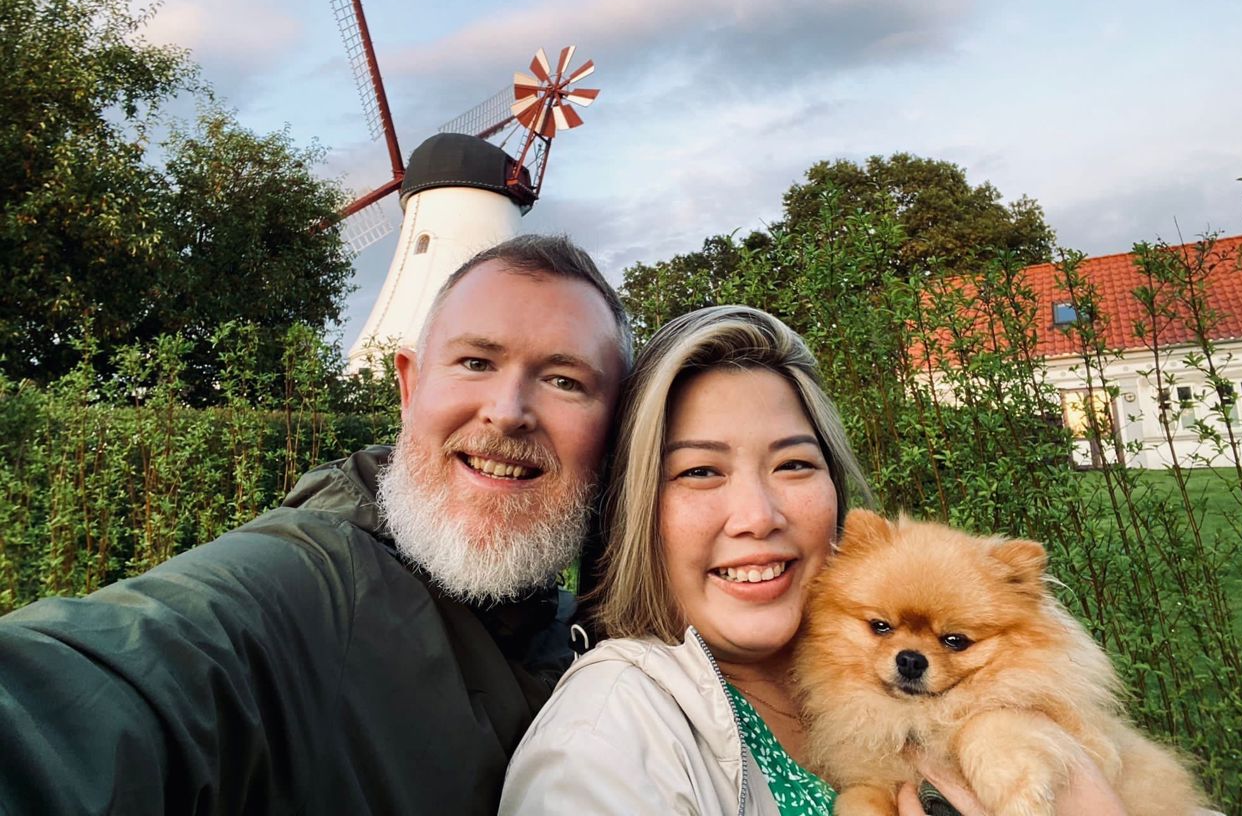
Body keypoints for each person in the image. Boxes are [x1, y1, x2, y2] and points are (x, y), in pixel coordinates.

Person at [0, 234, 632, 815]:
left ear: (620, 430)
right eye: (475, 362)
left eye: (564, 380)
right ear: (410, 387)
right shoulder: (294, 586)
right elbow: (105, 684)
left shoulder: (595, 629)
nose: (507, 411)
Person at [499, 305, 1133, 816]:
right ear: (634, 509)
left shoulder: (853, 665)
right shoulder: (603, 747)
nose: (758, 515)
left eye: (794, 463)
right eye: (699, 471)